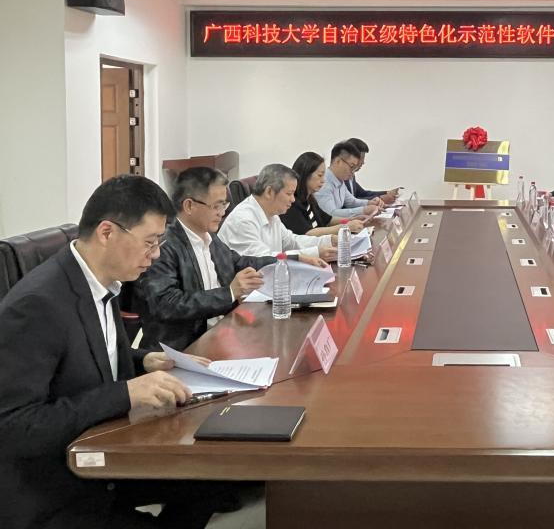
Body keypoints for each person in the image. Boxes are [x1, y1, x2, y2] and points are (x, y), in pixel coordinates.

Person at [0, 175, 232, 529]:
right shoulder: (37, 305)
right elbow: (14, 426)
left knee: (212, 477)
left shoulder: (103, 280)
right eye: (150, 242)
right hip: (54, 487)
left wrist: (144, 361)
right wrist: (125, 393)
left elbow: (88, 359)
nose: (156, 254)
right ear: (107, 232)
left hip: (101, 450)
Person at [135, 167, 289, 351]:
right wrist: (229, 293)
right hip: (181, 350)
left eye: (224, 205)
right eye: (216, 206)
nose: (222, 212)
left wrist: (289, 260)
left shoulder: (208, 236)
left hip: (220, 334)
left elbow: (239, 263)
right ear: (189, 206)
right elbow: (166, 304)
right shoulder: (164, 245)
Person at [219, 163, 337, 262]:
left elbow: (291, 242)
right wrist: (315, 253)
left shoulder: (271, 214)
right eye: (289, 193)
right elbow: (262, 259)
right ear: (269, 192)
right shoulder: (243, 220)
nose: (293, 199)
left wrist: (328, 240)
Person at [280, 151, 366, 238]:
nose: (323, 180)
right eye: (320, 175)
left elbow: (328, 220)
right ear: (306, 174)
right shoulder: (292, 203)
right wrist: (346, 227)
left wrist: (352, 220)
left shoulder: (310, 199)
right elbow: (308, 233)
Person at [314, 140, 383, 219]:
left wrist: (370, 203)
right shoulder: (323, 182)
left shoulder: (339, 181)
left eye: (355, 168)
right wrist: (363, 210)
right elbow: (331, 214)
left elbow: (351, 202)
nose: (353, 171)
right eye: (351, 166)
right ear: (338, 161)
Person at [346, 138, 401, 204]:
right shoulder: (340, 177)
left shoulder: (351, 175)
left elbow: (362, 193)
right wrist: (379, 199)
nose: (363, 162)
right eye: (361, 158)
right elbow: (348, 202)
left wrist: (387, 193)